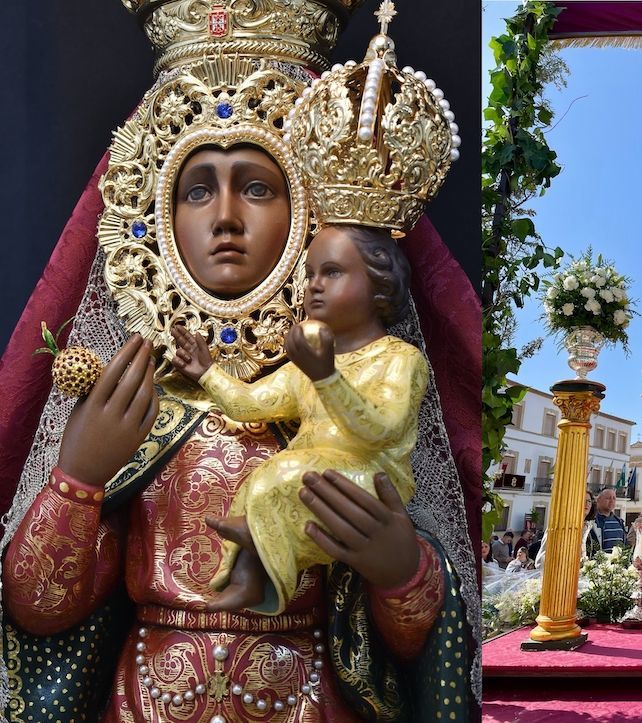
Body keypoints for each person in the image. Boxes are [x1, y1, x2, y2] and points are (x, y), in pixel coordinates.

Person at [0, 9, 478, 720]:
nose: (226, 216)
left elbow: (409, 644)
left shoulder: (355, 380)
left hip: (308, 698)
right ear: (152, 208)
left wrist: (400, 570)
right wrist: (78, 478)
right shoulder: (132, 401)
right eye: (198, 189)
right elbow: (40, 609)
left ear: (308, 214)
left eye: (256, 186)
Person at [170, 221, 427, 615]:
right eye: (310, 274)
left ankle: (260, 537)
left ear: (379, 286)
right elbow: (249, 403)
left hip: (371, 478)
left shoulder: (400, 359)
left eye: (332, 272)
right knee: (258, 482)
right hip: (306, 472)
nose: (314, 285)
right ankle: (249, 579)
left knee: (285, 474)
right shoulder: (307, 362)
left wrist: (327, 377)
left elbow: (382, 429)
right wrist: (206, 373)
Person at [594, 486, 627, 552]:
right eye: (608, 498)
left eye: (614, 498)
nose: (612, 501)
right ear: (598, 500)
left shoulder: (619, 522)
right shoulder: (593, 522)